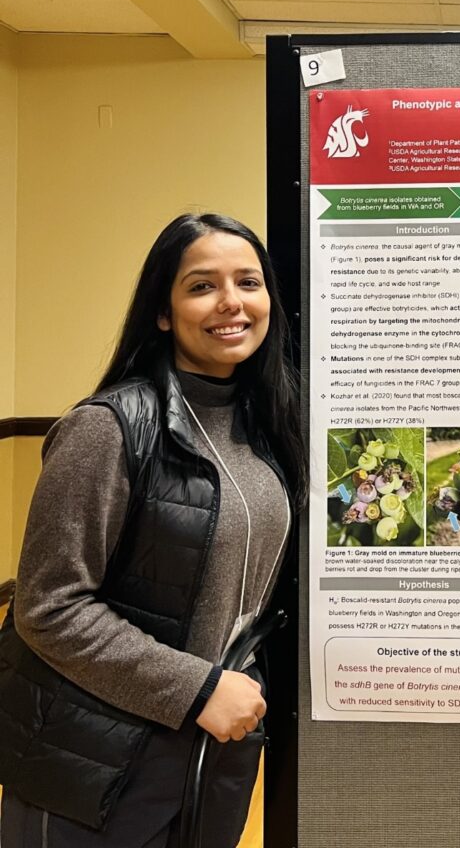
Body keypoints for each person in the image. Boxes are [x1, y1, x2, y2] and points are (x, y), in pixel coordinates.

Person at [0, 214, 305, 847]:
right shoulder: (107, 429)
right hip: (95, 761)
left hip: (214, 750)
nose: (231, 303)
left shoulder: (268, 431)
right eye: (201, 286)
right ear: (163, 312)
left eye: (248, 282)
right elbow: (48, 606)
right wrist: (197, 688)